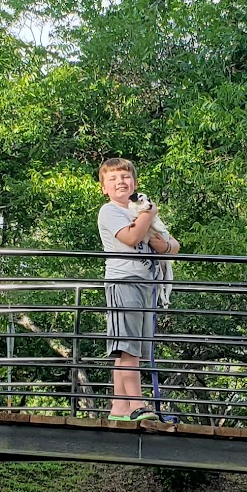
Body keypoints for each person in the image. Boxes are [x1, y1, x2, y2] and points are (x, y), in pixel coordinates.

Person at [97, 157, 180, 421]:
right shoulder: (110, 211)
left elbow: (173, 245)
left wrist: (163, 246)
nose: (120, 182)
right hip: (124, 281)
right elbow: (131, 238)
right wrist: (148, 214)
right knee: (128, 348)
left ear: (135, 183)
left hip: (146, 284)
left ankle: (119, 407)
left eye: (125, 177)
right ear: (104, 188)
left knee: (133, 349)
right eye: (113, 179)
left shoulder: (143, 211)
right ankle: (137, 405)